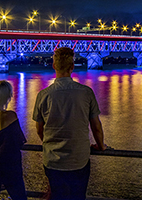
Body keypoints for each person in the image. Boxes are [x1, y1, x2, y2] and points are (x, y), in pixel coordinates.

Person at [33, 47, 107, 200]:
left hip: (53, 161)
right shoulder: (86, 92)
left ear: (54, 66)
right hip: (79, 160)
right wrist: (100, 145)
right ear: (72, 67)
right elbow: (96, 127)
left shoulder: (43, 95)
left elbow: (40, 129)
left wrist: (49, 144)